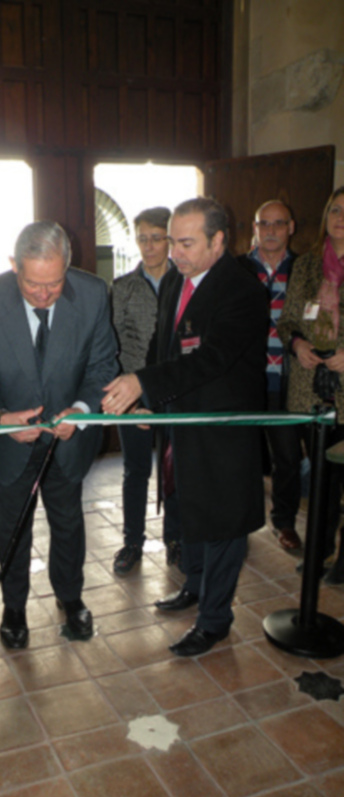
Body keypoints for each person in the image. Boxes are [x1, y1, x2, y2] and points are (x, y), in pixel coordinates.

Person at [102, 197, 267, 657]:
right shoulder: (177, 278)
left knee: (223, 523)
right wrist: (150, 398)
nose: (173, 251)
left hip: (221, 428)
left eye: (186, 242)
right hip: (181, 419)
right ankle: (194, 586)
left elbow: (210, 359)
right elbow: (165, 343)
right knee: (191, 508)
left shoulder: (243, 290)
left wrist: (144, 384)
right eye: (172, 240)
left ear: (219, 241)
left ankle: (214, 620)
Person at [0, 220, 117, 649]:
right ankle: (14, 607)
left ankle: (70, 597)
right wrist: (1, 416)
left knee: (67, 521)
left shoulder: (91, 294)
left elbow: (103, 366)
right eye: (33, 285)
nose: (45, 295)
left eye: (54, 283)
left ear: (68, 265)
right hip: (14, 443)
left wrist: (83, 411)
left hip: (67, 438)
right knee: (13, 526)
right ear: (14, 266)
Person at [277, 186, 344, 584]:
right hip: (309, 386)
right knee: (321, 477)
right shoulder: (304, 265)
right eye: (334, 209)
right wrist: (297, 343)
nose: (339, 217)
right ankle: (320, 549)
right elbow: (287, 321)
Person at [111, 206, 175, 575]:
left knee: (175, 467)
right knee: (136, 469)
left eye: (156, 238)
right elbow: (112, 345)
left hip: (173, 389)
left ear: (168, 239)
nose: (149, 247)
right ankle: (132, 541)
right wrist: (127, 395)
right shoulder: (122, 288)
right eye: (143, 239)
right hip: (132, 391)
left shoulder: (183, 283)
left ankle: (176, 539)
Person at [237, 200, 304, 554]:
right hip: (245, 382)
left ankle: (285, 523)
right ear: (256, 226)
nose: (272, 230)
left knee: (288, 458)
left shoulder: (306, 270)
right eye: (266, 223)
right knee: (239, 457)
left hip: (287, 381)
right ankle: (237, 523)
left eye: (280, 223)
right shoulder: (237, 269)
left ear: (291, 227)